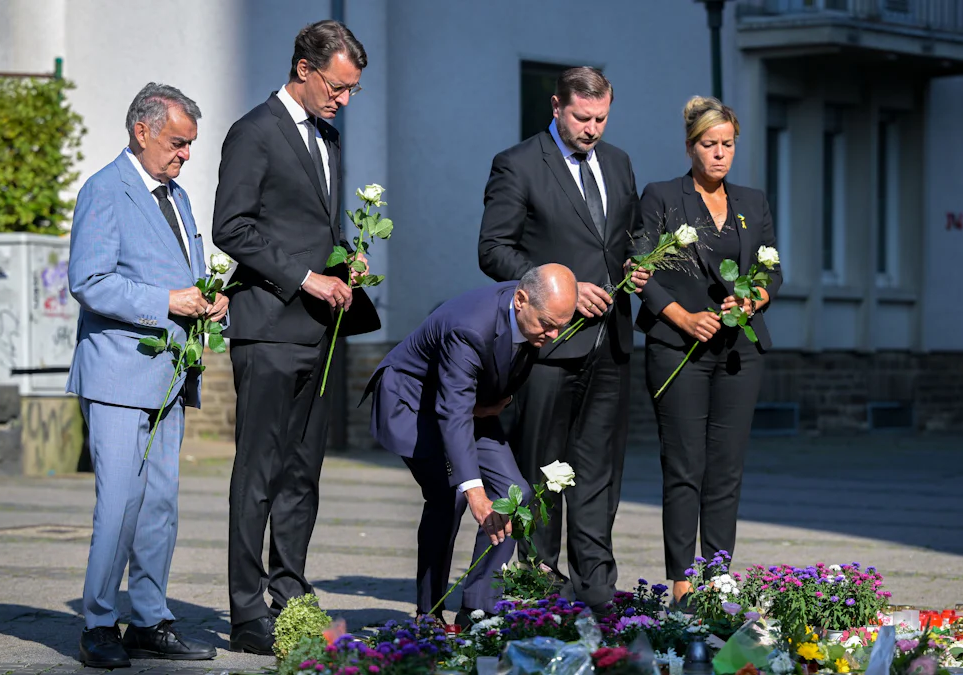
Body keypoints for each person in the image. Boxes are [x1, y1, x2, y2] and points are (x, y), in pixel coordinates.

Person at [212, 20, 379, 655]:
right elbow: (232, 226)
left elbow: (316, 224)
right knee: (259, 470)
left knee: (304, 472)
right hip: (269, 326)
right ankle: (246, 610)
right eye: (338, 87)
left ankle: (291, 593)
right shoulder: (253, 132)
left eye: (353, 91)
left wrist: (344, 261)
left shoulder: (329, 137)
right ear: (305, 70)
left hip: (322, 330)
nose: (343, 99)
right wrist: (305, 276)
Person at [477, 67, 648, 614]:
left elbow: (627, 234)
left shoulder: (619, 163)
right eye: (581, 117)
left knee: (599, 474)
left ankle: (596, 593)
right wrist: (564, 294)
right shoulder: (519, 163)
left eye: (601, 118)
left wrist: (637, 265)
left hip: (612, 342)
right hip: (548, 347)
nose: (592, 128)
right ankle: (537, 589)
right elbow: (493, 249)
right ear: (556, 106)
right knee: (541, 471)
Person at [66, 83, 221, 668]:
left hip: (170, 374)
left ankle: (150, 619)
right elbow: (89, 280)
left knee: (160, 504)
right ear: (143, 130)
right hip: (116, 375)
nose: (185, 154)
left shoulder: (176, 197)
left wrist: (207, 298)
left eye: (189, 145)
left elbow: (183, 273)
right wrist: (170, 301)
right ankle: (99, 624)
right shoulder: (105, 190)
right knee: (121, 504)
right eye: (178, 143)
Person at [365, 264, 579, 625]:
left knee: (518, 494)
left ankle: (479, 605)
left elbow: (467, 403)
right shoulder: (470, 327)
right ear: (520, 300)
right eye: (547, 324)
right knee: (450, 497)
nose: (554, 334)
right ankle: (428, 612)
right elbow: (453, 415)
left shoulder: (537, 305)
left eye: (562, 324)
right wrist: (475, 491)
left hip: (468, 405)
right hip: (415, 404)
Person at [636, 96, 782, 605]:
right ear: (690, 146)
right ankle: (681, 580)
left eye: (727, 145)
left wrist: (757, 294)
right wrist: (682, 317)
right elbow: (641, 271)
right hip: (678, 349)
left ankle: (718, 574)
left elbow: (772, 269)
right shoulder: (661, 197)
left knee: (726, 468)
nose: (719, 154)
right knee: (684, 465)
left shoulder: (753, 202)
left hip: (741, 350)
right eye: (709, 145)